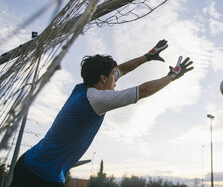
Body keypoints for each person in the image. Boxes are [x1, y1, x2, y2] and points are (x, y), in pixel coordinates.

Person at [9, 39, 193, 187]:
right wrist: (172, 76)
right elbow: (143, 91)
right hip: (39, 175)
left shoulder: (82, 89)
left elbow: (122, 69)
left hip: (31, 164)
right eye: (113, 76)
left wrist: (148, 56)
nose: (116, 80)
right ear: (103, 78)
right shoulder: (96, 99)